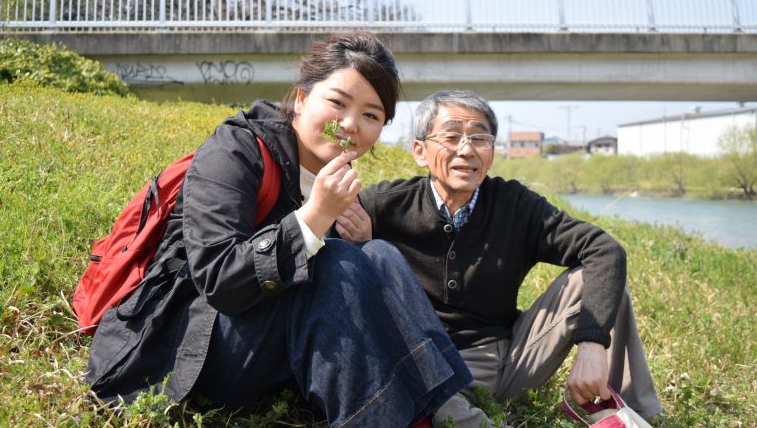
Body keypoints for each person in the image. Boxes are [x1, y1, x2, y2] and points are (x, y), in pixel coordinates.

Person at [84, 34, 472, 428]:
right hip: (198, 346)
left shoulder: (336, 177)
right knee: (338, 261)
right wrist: (314, 218)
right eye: (338, 103)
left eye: (371, 116)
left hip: (279, 348)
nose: (351, 124)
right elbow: (219, 279)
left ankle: (449, 408)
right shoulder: (236, 150)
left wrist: (357, 243)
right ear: (301, 98)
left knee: (379, 254)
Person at [336, 90, 663, 427]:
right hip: (426, 362)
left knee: (597, 283)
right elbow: (325, 259)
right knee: (428, 396)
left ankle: (632, 416)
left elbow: (603, 249)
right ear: (420, 151)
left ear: (491, 153)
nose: (466, 149)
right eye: (451, 137)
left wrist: (592, 342)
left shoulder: (515, 205)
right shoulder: (381, 206)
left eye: (480, 138)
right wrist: (360, 246)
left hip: (509, 362)